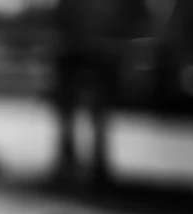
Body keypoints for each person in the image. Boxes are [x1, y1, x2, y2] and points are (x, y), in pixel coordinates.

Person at [51, 0, 149, 186]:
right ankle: (69, 161)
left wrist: (119, 47)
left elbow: (139, 21)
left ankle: (96, 165)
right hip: (76, 54)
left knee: (98, 109)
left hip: (104, 57)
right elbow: (60, 20)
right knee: (71, 106)